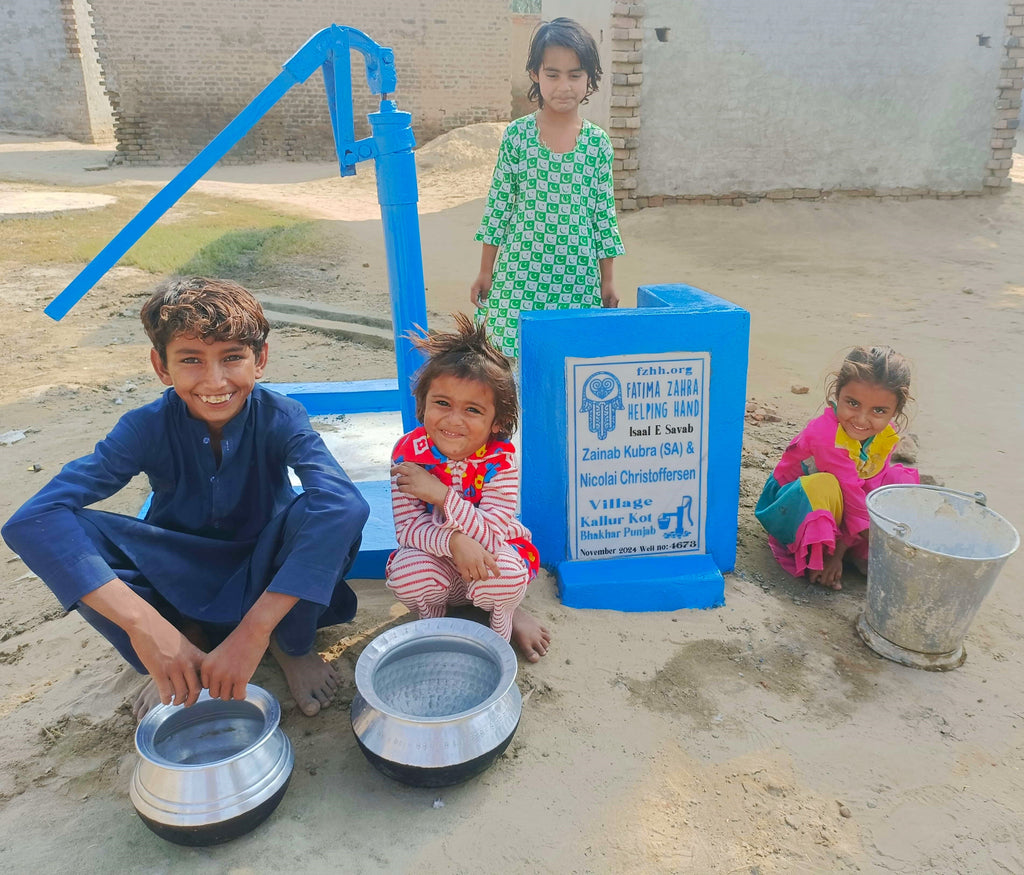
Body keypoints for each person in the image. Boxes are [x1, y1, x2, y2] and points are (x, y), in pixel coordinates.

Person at [2, 277, 369, 718]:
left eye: (232, 358)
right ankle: (180, 639)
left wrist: (254, 630)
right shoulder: (144, 426)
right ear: (161, 367)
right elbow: (32, 520)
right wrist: (147, 628)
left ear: (261, 359)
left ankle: (289, 644)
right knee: (66, 530)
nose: (214, 381)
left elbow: (343, 504)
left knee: (326, 510)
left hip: (266, 569)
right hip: (177, 576)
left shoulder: (281, 417)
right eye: (191, 360)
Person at [386, 314, 550, 660]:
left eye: (473, 410)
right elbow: (408, 530)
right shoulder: (408, 455)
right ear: (422, 404)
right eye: (442, 403)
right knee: (406, 572)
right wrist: (453, 540)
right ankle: (433, 626)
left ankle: (504, 620)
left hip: (488, 560)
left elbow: (492, 536)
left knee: (506, 575)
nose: (453, 420)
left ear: (498, 423)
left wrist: (440, 495)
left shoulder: (500, 461)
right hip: (439, 562)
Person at [470, 16, 625, 358]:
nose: (563, 86)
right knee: (510, 360)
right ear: (535, 75)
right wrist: (485, 271)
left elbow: (603, 216)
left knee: (570, 360)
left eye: (575, 75)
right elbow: (499, 207)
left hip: (578, 277)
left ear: (590, 79)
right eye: (552, 74)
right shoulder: (517, 137)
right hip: (519, 274)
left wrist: (607, 279)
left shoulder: (597, 145)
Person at [754, 346, 920, 590]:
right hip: (793, 506)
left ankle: (851, 549)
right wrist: (843, 554)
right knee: (824, 485)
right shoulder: (825, 435)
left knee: (894, 483)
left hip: (847, 504)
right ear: (837, 394)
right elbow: (852, 497)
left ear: (895, 412)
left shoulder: (885, 435)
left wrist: (843, 552)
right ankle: (818, 551)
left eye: (879, 411)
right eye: (853, 403)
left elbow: (868, 492)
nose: (862, 419)